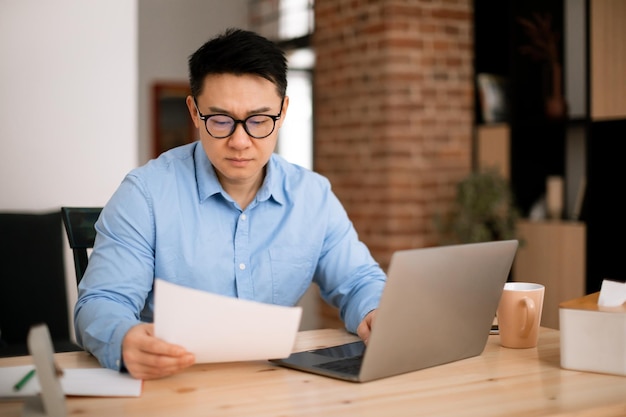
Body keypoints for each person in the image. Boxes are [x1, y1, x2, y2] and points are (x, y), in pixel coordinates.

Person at [74, 28, 386, 380]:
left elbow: (359, 280)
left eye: (259, 121)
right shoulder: (144, 194)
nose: (240, 141)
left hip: (269, 384)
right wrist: (123, 338)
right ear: (194, 112)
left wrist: (375, 311)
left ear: (283, 112)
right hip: (171, 383)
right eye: (221, 121)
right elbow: (101, 302)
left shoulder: (312, 196)